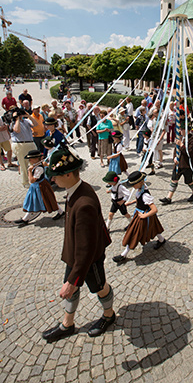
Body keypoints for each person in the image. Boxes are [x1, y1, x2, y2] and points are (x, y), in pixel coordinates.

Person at [41, 145, 114, 342]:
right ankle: (67, 324)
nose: (52, 179)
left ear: (69, 175)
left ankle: (109, 315)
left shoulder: (84, 203)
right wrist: (72, 280)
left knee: (100, 287)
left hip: (89, 259)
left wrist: (74, 280)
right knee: (70, 288)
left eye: (56, 176)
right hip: (76, 256)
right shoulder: (76, 189)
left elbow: (87, 247)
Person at [113, 171, 165, 263]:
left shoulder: (145, 194)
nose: (132, 186)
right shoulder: (141, 189)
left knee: (133, 232)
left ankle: (123, 254)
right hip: (140, 213)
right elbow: (139, 199)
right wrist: (132, 202)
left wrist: (144, 215)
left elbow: (154, 209)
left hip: (143, 216)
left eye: (133, 184)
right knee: (153, 228)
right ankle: (161, 240)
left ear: (140, 182)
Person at [14, 150, 64, 227]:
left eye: (31, 159)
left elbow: (31, 180)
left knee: (49, 199)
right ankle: (25, 219)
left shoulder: (38, 168)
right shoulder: (37, 165)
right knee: (33, 201)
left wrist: (29, 171)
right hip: (36, 187)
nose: (29, 160)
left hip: (41, 186)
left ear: (36, 159)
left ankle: (60, 212)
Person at [159, 120, 193, 205]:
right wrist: (174, 157)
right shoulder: (180, 138)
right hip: (178, 164)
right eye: (180, 129)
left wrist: (181, 145)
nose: (180, 131)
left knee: (189, 181)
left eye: (182, 129)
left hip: (187, 164)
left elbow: (190, 153)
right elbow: (175, 150)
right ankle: (168, 198)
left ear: (187, 130)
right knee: (174, 179)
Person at [11, 109, 38, 187]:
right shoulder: (12, 123)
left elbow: (35, 124)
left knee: (35, 161)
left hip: (30, 142)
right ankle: (25, 182)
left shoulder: (26, 121)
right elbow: (17, 130)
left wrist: (28, 116)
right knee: (23, 164)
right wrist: (17, 119)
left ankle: (35, 178)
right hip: (20, 144)